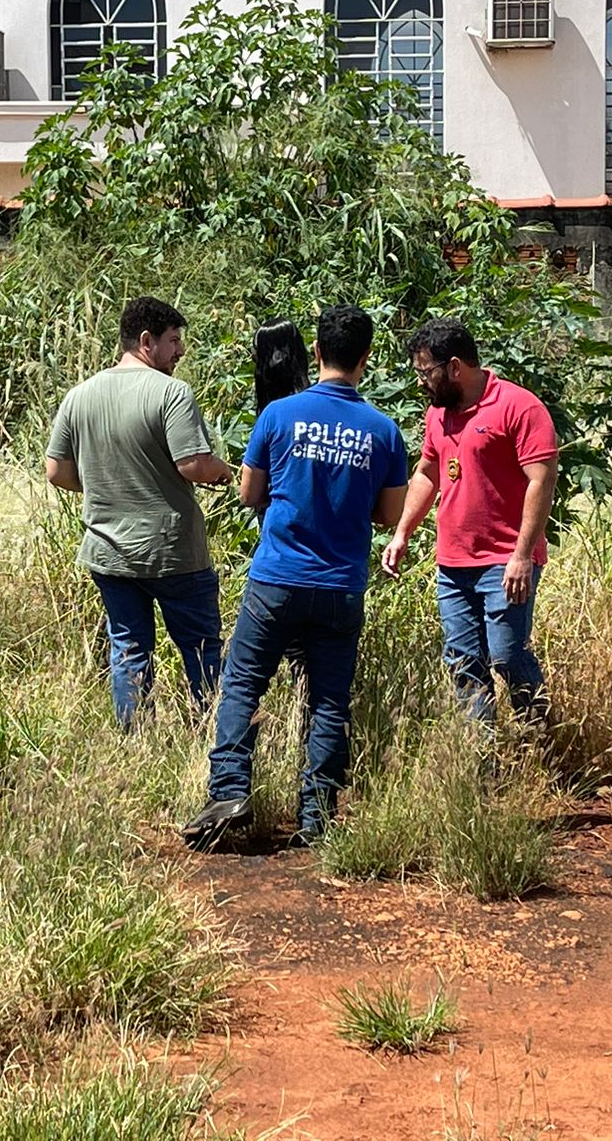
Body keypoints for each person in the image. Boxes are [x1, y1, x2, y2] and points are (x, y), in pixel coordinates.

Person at [183, 305, 408, 849]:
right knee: (329, 699)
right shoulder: (384, 431)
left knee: (242, 683)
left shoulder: (278, 416)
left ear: (316, 352)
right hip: (340, 586)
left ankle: (231, 790)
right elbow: (388, 514)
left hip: (276, 579)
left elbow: (248, 494)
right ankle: (317, 818)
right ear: (366, 358)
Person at [45, 296, 233, 728]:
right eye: (173, 340)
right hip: (172, 551)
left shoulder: (80, 395)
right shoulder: (171, 393)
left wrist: (103, 485)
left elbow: (56, 471)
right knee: (201, 646)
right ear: (146, 341)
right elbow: (193, 464)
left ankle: (137, 738)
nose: (180, 351)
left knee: (128, 646)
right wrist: (225, 472)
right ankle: (216, 735)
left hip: (109, 551)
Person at [381, 317, 559, 730]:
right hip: (453, 564)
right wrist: (402, 533)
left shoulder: (519, 407)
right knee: (464, 664)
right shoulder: (437, 415)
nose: (421, 381)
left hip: (506, 561)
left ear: (455, 367)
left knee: (506, 656)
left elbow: (541, 481)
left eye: (426, 372)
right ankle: (483, 766)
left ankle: (541, 739)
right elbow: (428, 473)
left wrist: (521, 556)